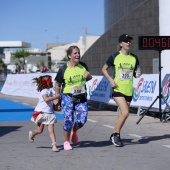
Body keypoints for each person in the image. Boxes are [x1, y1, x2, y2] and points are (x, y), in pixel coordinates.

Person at [102, 34, 142, 147]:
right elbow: (104, 69)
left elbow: (136, 72)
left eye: (129, 41)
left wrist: (138, 73)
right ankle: (116, 135)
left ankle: (114, 133)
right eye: (125, 41)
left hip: (128, 90)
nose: (128, 43)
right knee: (125, 112)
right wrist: (110, 80)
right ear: (120, 44)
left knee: (122, 114)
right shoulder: (114, 56)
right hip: (117, 89)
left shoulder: (134, 57)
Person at [54, 45, 92, 150]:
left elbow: (88, 77)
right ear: (69, 56)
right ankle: (66, 141)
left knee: (82, 120)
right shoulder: (63, 69)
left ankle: (74, 131)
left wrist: (89, 77)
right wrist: (57, 100)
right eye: (75, 53)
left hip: (81, 97)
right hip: (68, 97)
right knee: (69, 120)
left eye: (79, 53)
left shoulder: (83, 66)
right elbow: (57, 85)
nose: (78, 55)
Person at [29, 75, 60, 152]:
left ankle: (54, 145)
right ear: (47, 83)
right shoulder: (44, 91)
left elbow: (54, 100)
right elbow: (46, 99)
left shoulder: (51, 91)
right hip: (41, 113)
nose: (52, 82)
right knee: (39, 131)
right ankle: (32, 134)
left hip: (49, 114)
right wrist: (55, 97)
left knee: (51, 130)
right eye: (50, 81)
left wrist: (57, 105)